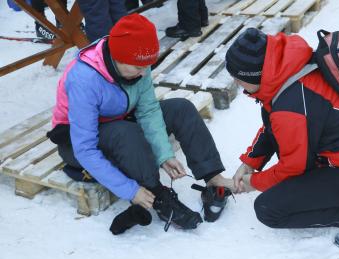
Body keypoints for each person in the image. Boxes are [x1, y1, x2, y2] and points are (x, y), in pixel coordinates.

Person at [47, 14, 234, 234]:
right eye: (138, 67)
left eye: (148, 66)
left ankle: (213, 178)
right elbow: (84, 148)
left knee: (180, 108)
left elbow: (148, 110)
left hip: (119, 119)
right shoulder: (85, 79)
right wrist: (131, 190)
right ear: (117, 57)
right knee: (125, 132)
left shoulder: (138, 62)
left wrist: (164, 154)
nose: (144, 72)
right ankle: (158, 195)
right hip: (75, 143)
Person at [225, 28, 339, 248]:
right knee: (292, 168)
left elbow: (292, 166)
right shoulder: (290, 69)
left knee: (269, 209)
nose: (236, 83)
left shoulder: (290, 107)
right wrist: (251, 161)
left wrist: (253, 182)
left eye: (237, 78)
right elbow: (274, 122)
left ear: (253, 75)